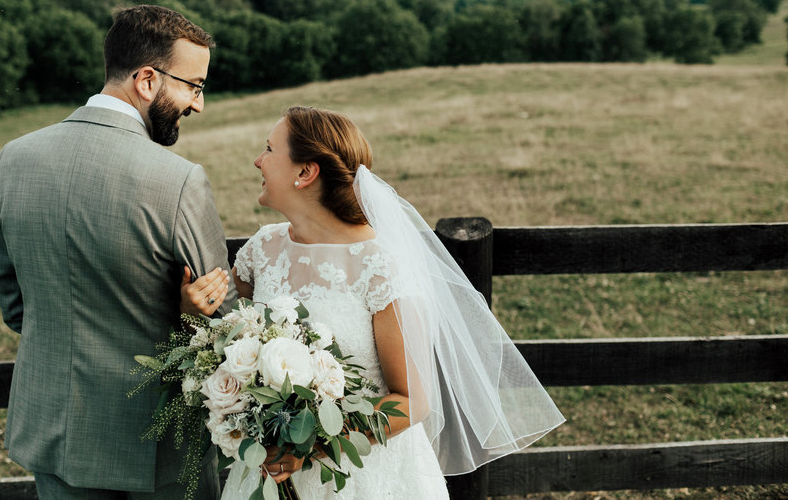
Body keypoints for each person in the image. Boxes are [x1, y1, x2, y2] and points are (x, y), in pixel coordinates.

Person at [221, 106, 565, 499]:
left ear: (305, 172)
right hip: (267, 472)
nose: (257, 160)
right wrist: (193, 306)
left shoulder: (380, 266)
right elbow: (235, 336)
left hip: (361, 475)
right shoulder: (263, 249)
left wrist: (309, 445)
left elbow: (411, 402)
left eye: (269, 149)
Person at [0, 5, 233, 499]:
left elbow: (15, 306)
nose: (197, 103)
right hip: (156, 445)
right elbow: (223, 318)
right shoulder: (179, 180)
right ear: (147, 79)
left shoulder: (14, 158)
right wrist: (185, 315)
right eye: (194, 85)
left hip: (55, 433)